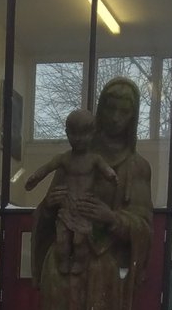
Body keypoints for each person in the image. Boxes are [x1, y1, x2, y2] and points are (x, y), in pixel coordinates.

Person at [31, 77, 153, 310]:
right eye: (110, 108)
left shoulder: (135, 167)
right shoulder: (72, 159)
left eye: (124, 110)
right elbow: (45, 212)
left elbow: (144, 226)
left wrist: (111, 217)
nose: (116, 117)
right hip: (63, 266)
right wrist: (49, 208)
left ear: (132, 117)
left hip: (100, 271)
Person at [24, 108, 117, 276]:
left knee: (80, 240)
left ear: (93, 132)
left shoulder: (94, 159)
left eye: (84, 134)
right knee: (62, 240)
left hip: (83, 209)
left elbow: (106, 170)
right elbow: (47, 168)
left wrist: (111, 175)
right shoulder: (64, 159)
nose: (78, 139)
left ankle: (80, 262)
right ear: (67, 133)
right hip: (67, 207)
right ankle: (64, 261)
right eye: (74, 134)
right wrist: (35, 178)